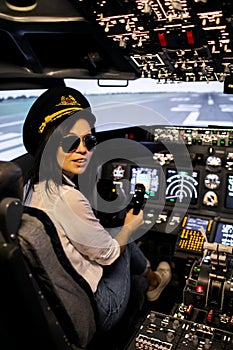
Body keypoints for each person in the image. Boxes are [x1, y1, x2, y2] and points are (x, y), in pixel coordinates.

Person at [23, 86, 172, 334]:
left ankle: (147, 280)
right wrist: (130, 226)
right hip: (97, 309)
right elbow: (111, 254)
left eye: (89, 140)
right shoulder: (67, 198)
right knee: (123, 239)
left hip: (58, 302)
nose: (83, 149)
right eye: (71, 141)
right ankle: (154, 281)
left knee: (117, 237)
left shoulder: (31, 186)